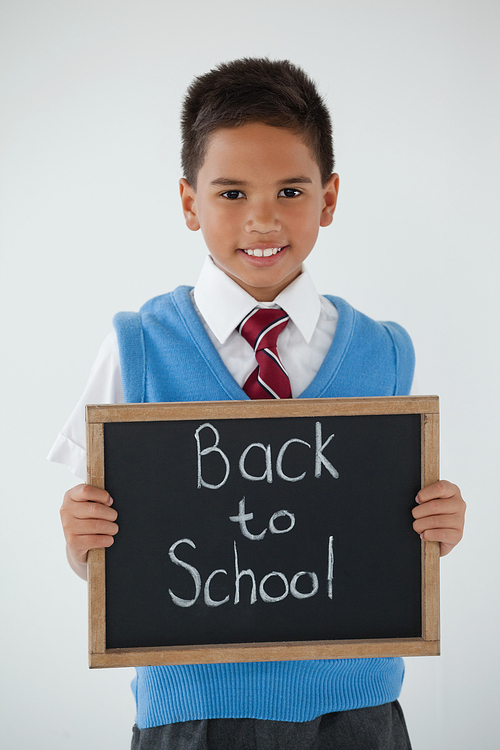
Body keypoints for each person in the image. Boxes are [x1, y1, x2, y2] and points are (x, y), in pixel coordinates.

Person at [50, 58, 466, 749]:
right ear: (190, 203)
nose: (263, 218)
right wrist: (78, 539)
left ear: (329, 199)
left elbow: (382, 528)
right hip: (193, 711)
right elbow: (100, 547)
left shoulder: (385, 353)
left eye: (291, 190)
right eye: (233, 192)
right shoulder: (138, 346)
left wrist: (438, 528)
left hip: (356, 708)